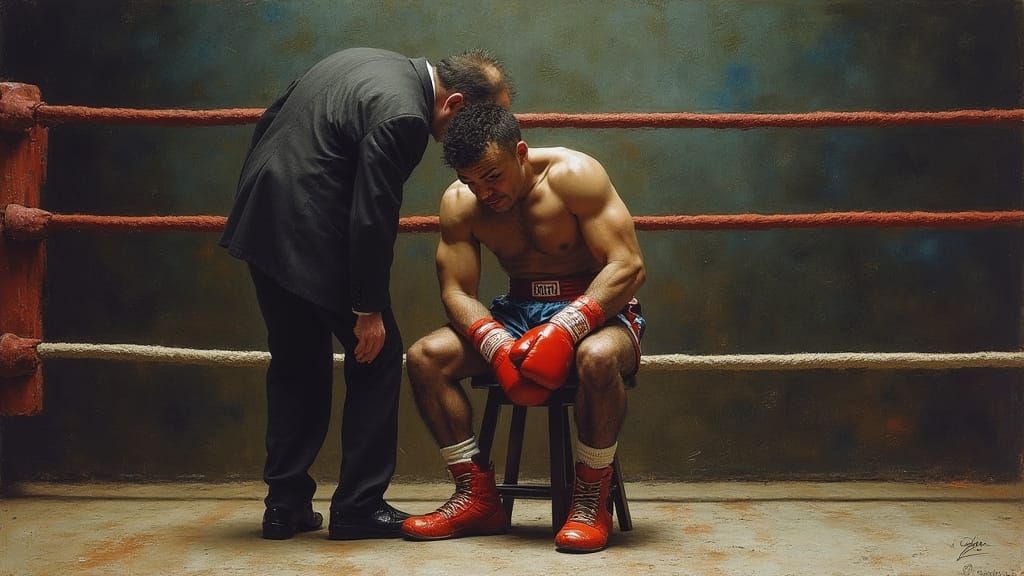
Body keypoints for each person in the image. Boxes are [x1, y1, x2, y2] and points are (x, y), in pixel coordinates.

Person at [220, 48, 513, 541]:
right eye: (480, 122)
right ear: (455, 103)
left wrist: (265, 197)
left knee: (297, 362)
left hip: (261, 218)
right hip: (310, 229)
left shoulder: (364, 60)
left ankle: (284, 506)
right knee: (378, 355)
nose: (482, 137)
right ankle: (358, 505)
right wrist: (367, 308)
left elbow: (273, 118)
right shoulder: (405, 117)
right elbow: (373, 214)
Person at [400, 103, 646, 553]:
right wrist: (493, 342)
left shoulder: (574, 175)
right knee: (424, 357)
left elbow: (628, 265)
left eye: (492, 176)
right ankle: (475, 497)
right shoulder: (460, 202)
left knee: (596, 357)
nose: (484, 192)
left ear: (520, 152)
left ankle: (590, 499)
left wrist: (568, 326)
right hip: (516, 312)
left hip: (597, 306)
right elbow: (456, 290)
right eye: (470, 181)